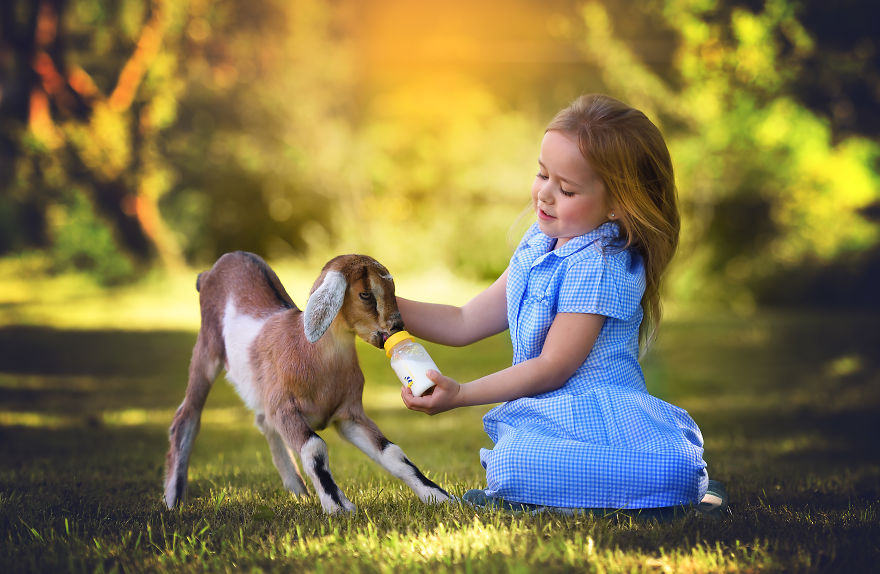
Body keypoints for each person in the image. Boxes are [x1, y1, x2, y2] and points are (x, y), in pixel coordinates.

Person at [397, 94, 726, 515]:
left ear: (617, 206)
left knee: (523, 466)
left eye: (566, 189)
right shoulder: (540, 243)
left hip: (605, 422)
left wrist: (460, 394)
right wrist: (382, 306)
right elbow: (464, 321)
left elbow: (553, 367)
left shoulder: (602, 264)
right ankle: (608, 500)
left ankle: (662, 491)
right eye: (542, 174)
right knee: (512, 463)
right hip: (552, 421)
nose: (545, 195)